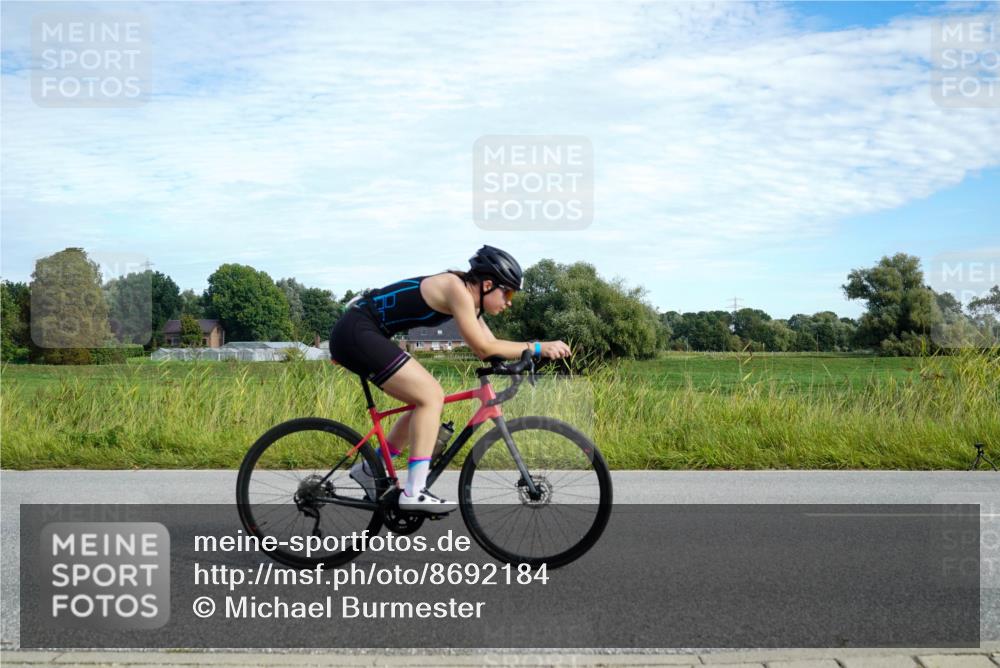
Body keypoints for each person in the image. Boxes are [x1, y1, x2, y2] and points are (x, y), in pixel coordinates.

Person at [328, 246, 571, 512]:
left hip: (363, 331)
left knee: (426, 401)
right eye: (508, 292)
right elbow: (483, 348)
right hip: (356, 331)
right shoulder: (456, 289)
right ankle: (414, 491)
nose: (509, 301)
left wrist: (519, 361)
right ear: (488, 285)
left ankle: (370, 469)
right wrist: (537, 347)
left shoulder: (470, 301)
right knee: (430, 396)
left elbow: (490, 345)